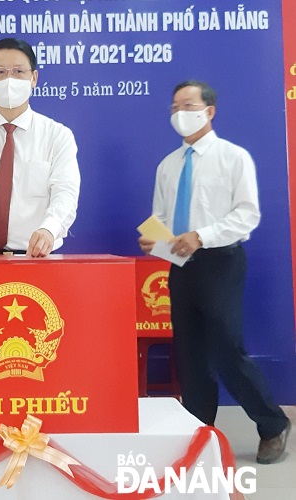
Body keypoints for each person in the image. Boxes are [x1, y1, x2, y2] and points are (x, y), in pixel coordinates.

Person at [138, 80, 291, 464]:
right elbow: (160, 216)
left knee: (226, 348)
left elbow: (247, 215)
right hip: (180, 267)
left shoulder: (232, 157)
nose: (179, 114)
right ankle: (199, 431)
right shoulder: (168, 165)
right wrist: (154, 239)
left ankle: (272, 424)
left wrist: (201, 236)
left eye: (187, 105)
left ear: (209, 111)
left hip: (221, 261)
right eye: (174, 107)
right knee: (188, 352)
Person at [0, 38, 80, 257]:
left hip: (37, 255)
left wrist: (49, 229)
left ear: (34, 78)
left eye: (19, 72)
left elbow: (65, 192)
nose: (9, 79)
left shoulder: (58, 135)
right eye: (0, 72)